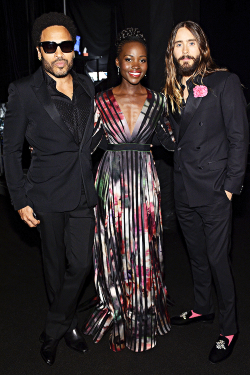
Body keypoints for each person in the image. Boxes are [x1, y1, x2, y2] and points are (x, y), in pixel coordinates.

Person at [3, 12, 97, 366]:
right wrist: (19, 200)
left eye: (65, 45)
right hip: (45, 195)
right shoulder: (24, 91)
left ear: (75, 49)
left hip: (84, 193)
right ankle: (69, 327)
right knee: (55, 267)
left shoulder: (88, 86)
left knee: (83, 264)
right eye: (49, 46)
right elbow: (10, 151)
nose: (59, 53)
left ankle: (51, 328)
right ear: (39, 52)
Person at [84, 28, 175, 352]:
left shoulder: (159, 101)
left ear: (148, 65)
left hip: (145, 186)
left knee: (144, 250)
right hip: (113, 184)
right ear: (118, 63)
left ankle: (142, 316)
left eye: (142, 60)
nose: (135, 65)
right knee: (115, 249)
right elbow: (88, 145)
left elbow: (173, 141)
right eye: (128, 59)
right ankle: (118, 313)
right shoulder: (101, 101)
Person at [164, 20, 249, 363]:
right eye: (178, 44)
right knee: (196, 255)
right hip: (183, 187)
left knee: (217, 260)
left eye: (190, 43)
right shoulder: (170, 89)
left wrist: (230, 188)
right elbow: (175, 142)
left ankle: (229, 328)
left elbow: (239, 138)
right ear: (172, 52)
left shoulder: (224, 82)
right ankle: (202, 307)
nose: (184, 50)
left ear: (202, 48)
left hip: (214, 190)